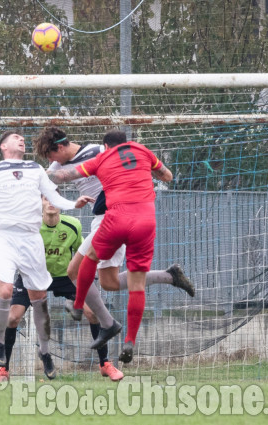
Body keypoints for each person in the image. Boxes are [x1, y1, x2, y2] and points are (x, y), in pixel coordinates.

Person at [0, 131, 94, 382]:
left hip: (31, 240)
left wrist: (74, 204)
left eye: (22, 137)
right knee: (6, 291)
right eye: (16, 137)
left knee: (39, 299)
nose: (21, 140)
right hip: (3, 238)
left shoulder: (35, 168)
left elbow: (54, 196)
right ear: (3, 145)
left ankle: (45, 351)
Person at [45, 129, 176, 364]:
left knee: (81, 266)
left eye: (51, 156)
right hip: (146, 220)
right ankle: (129, 335)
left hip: (112, 218)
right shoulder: (142, 150)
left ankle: (93, 315)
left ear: (106, 146)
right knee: (112, 282)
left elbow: (64, 177)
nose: (51, 162)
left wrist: (32, 174)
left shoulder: (100, 155)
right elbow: (167, 176)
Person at [0, 196, 124, 383]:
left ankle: (105, 364)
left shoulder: (73, 225)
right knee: (13, 317)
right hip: (34, 276)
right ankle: (3, 369)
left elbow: (82, 254)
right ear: (40, 203)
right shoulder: (30, 226)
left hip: (65, 277)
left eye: (54, 198)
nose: (50, 202)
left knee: (93, 312)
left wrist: (87, 277)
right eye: (46, 198)